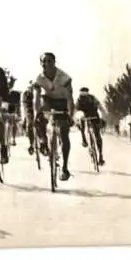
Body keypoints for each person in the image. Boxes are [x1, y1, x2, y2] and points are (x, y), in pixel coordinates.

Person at [32, 52, 75, 181]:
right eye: (43, 62)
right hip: (49, 100)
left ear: (54, 62)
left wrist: (70, 115)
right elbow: (36, 98)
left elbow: (69, 98)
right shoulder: (39, 78)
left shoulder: (64, 77)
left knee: (63, 133)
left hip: (62, 102)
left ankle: (65, 168)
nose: (46, 64)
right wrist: (36, 114)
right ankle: (43, 142)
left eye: (49, 61)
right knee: (38, 119)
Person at [75, 87, 107, 165]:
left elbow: (74, 111)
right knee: (97, 135)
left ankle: (85, 141)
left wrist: (74, 120)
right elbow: (101, 108)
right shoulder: (90, 98)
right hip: (92, 116)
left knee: (93, 132)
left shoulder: (81, 99)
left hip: (90, 116)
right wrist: (103, 118)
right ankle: (100, 156)